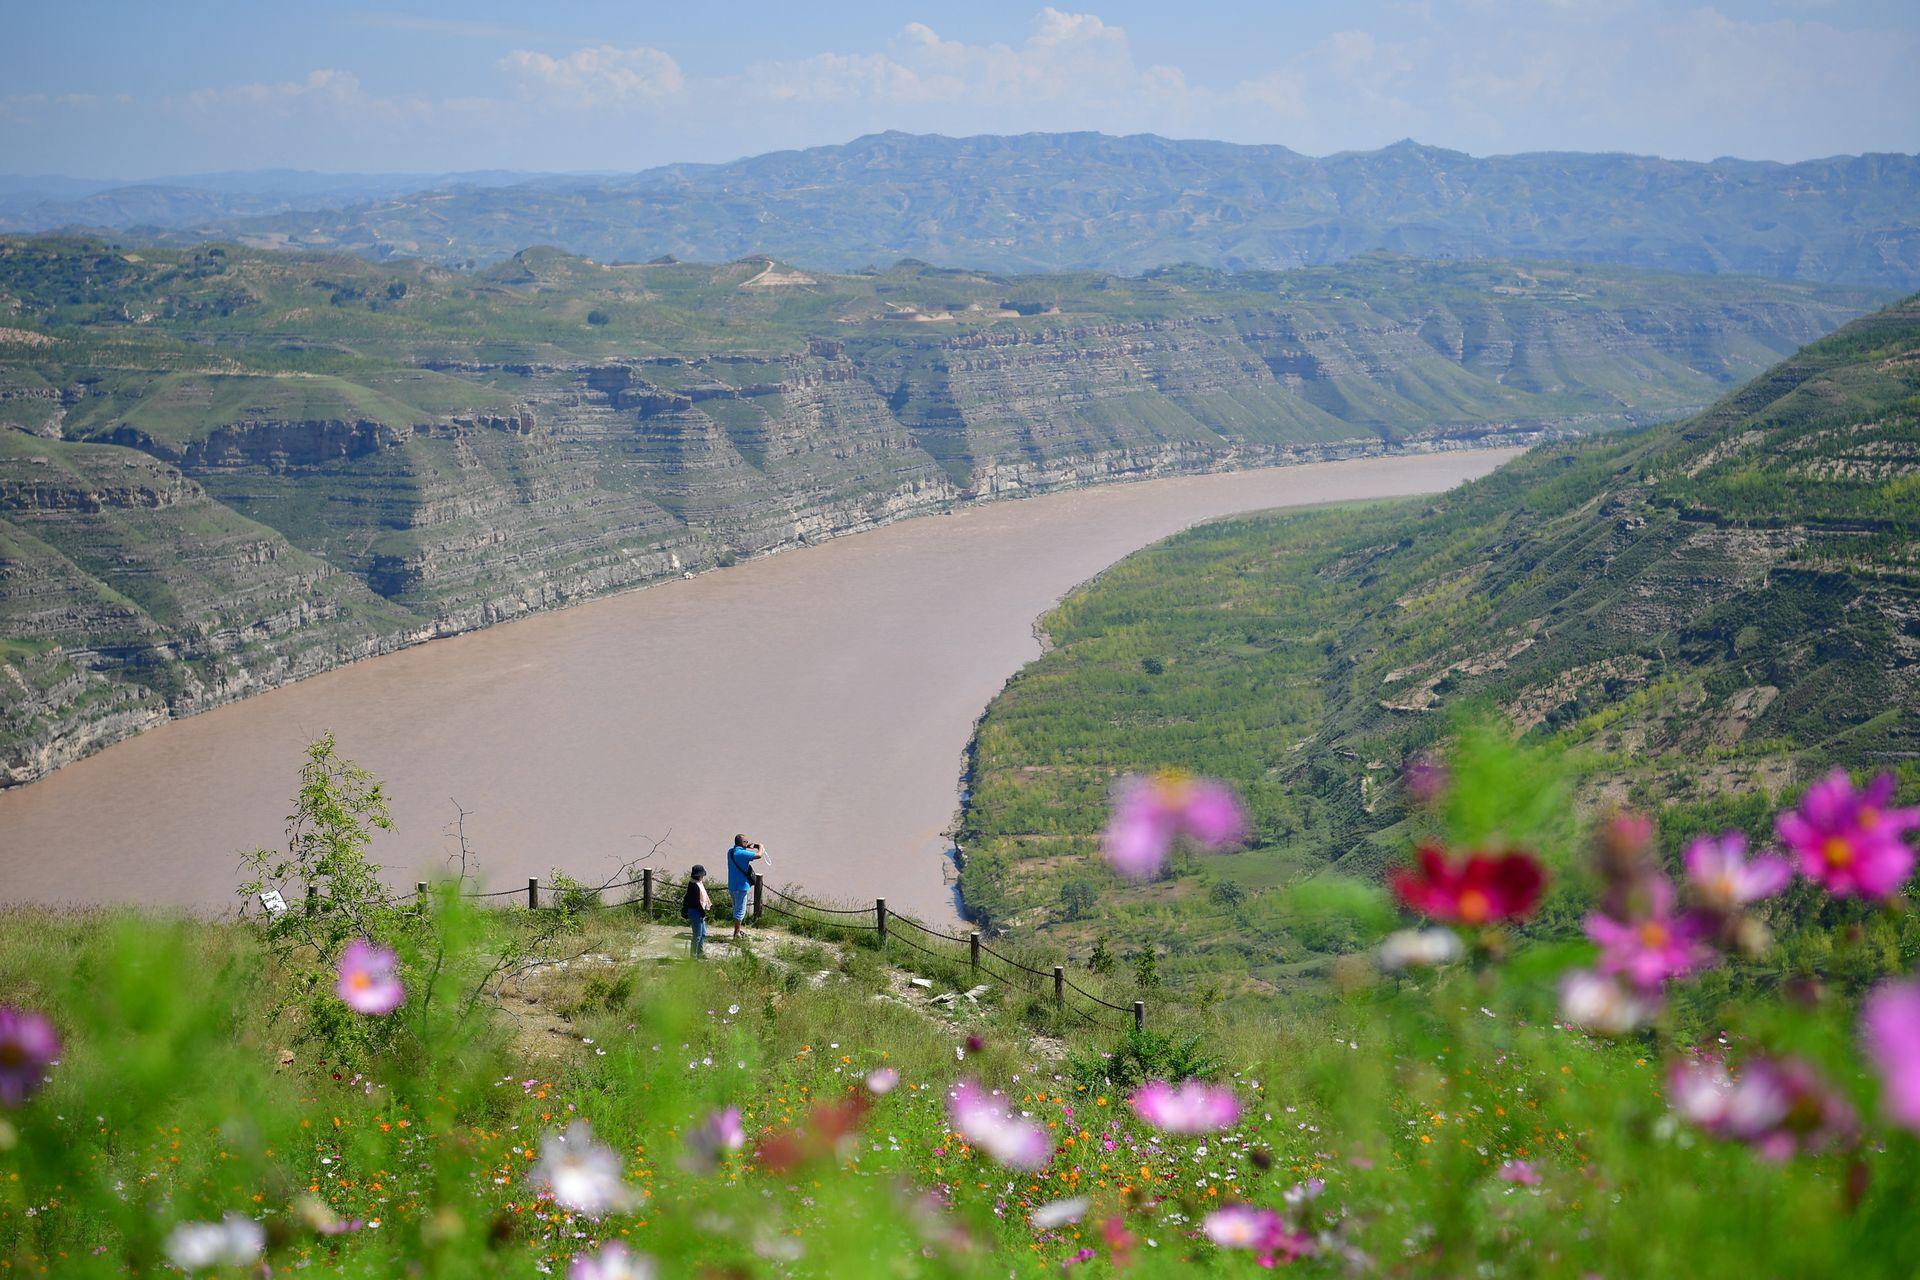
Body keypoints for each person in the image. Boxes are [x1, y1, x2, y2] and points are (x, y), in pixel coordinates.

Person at [725, 834, 763, 940]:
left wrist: (746, 845)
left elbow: (741, 851)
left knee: (736, 908)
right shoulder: (741, 853)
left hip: (732, 885)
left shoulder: (730, 852)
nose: (748, 843)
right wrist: (760, 846)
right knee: (740, 910)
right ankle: (736, 933)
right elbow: (759, 855)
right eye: (746, 841)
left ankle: (737, 929)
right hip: (740, 887)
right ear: (742, 843)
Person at [682, 864, 712, 958]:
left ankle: (700, 952)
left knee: (702, 934)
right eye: (702, 875)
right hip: (695, 911)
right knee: (697, 935)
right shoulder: (694, 886)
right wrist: (703, 913)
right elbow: (696, 902)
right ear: (698, 875)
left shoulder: (695, 883)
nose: (703, 876)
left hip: (698, 910)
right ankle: (693, 956)